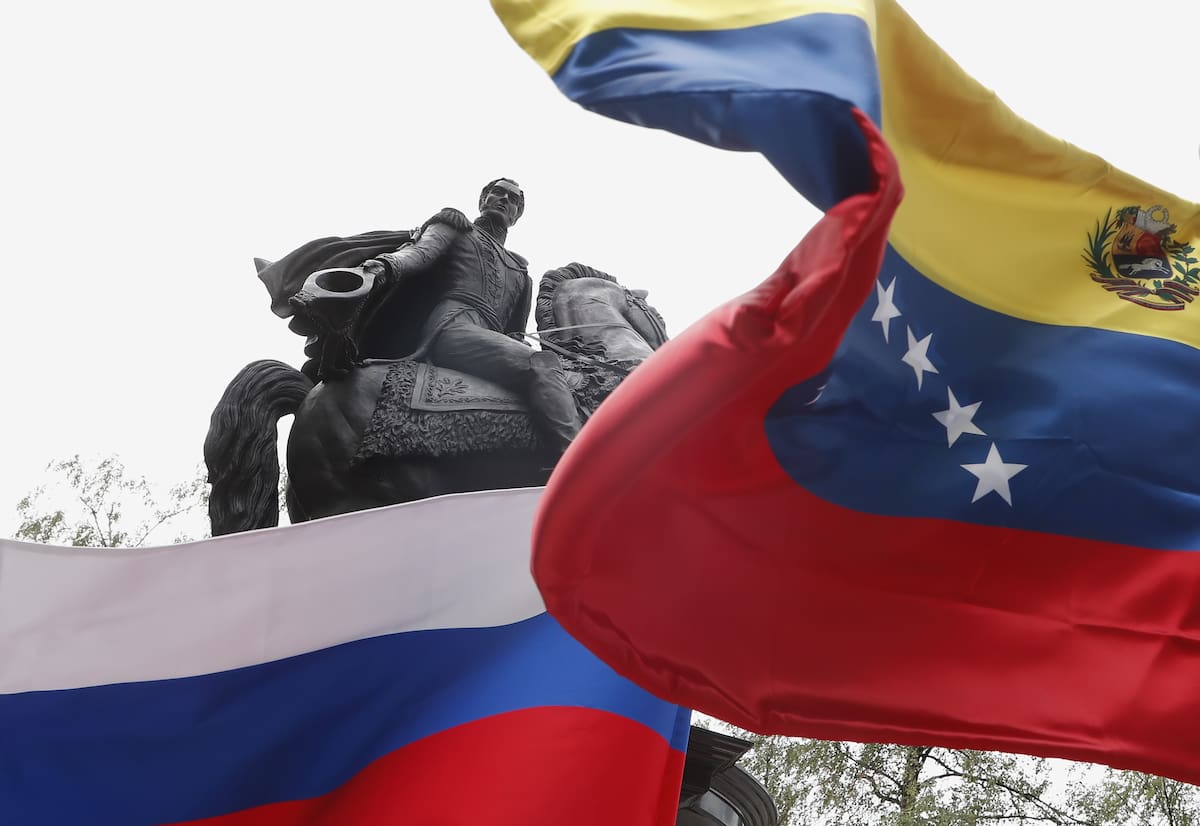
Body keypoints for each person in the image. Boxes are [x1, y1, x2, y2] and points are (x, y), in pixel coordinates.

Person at [302, 178, 582, 456]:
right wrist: (375, 269)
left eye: (513, 199)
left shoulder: (521, 272)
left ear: (517, 215)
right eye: (497, 193)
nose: (504, 199)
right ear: (483, 199)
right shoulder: (456, 227)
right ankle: (577, 462)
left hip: (488, 340)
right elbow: (417, 255)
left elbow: (514, 336)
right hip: (453, 328)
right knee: (540, 362)